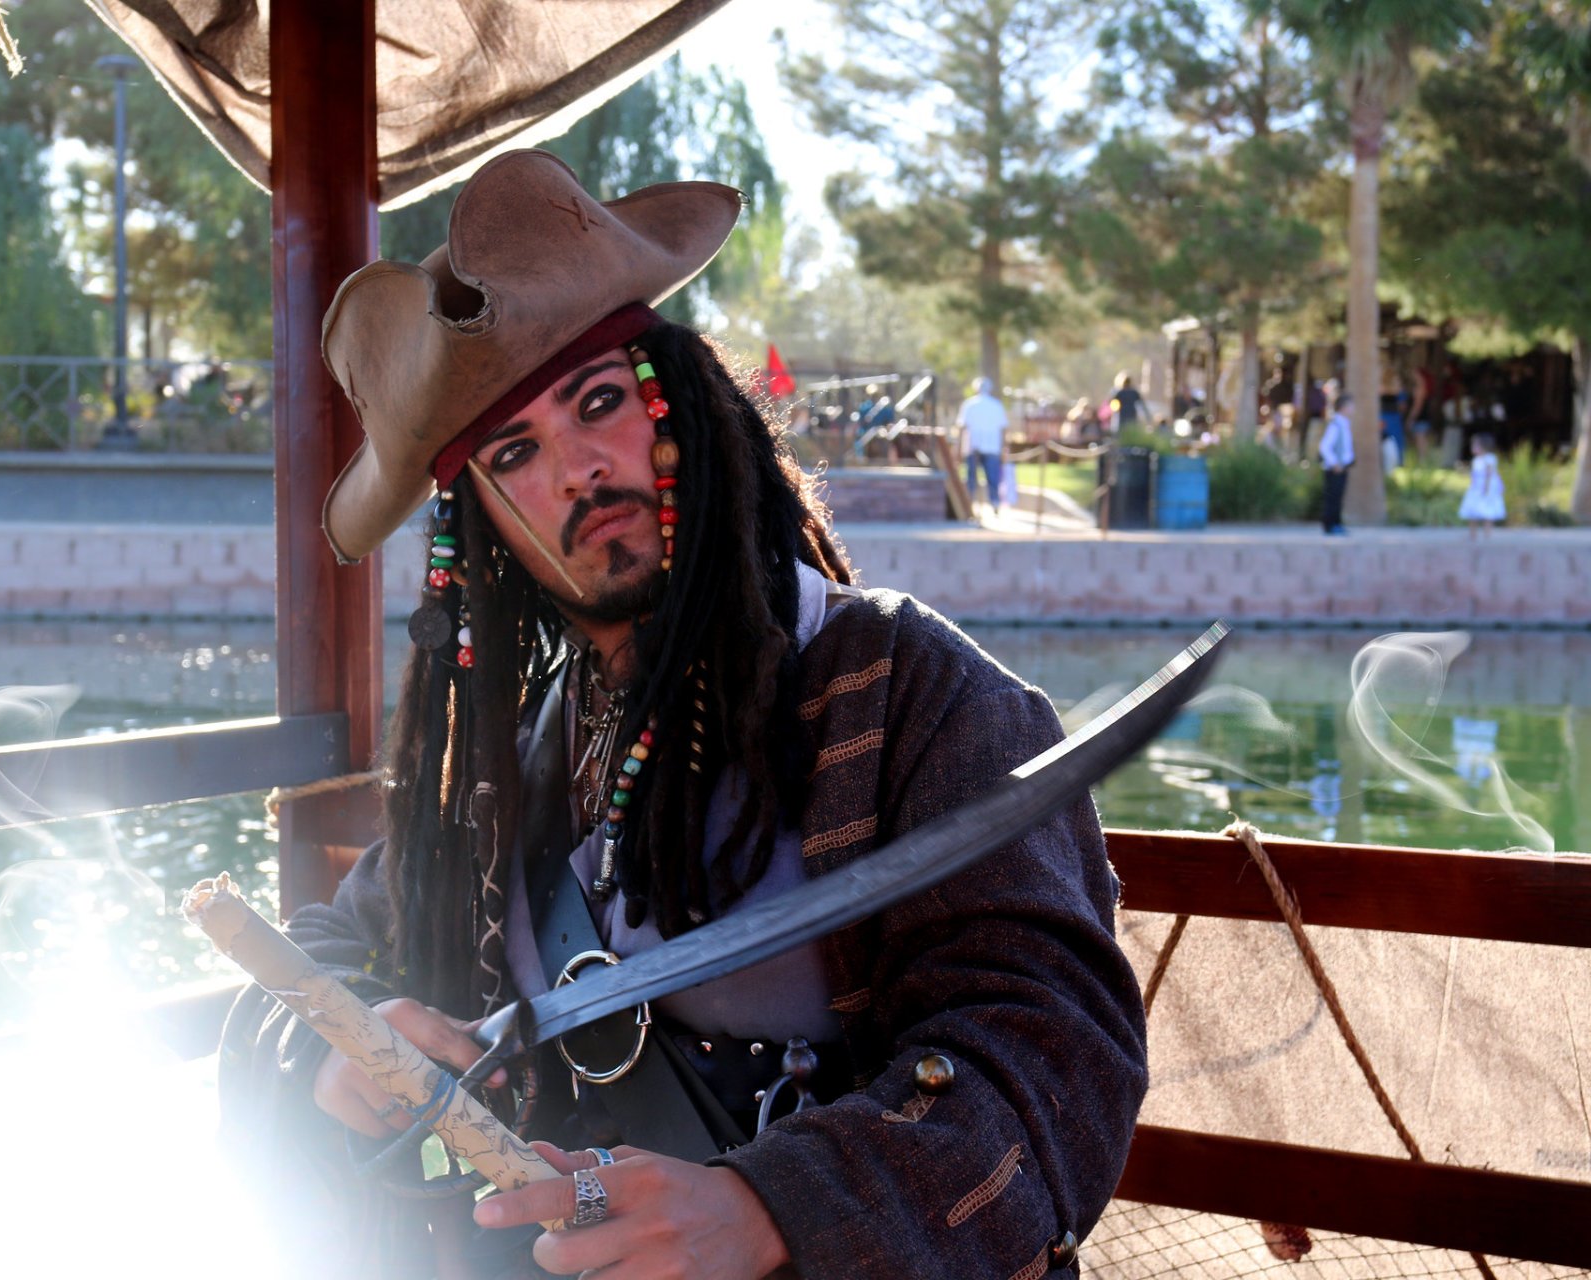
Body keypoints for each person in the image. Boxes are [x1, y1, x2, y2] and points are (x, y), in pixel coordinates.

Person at [215, 150, 1144, 1279]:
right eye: (517, 452)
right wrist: (341, 1047)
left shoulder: (914, 691)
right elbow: (320, 954)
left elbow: (1054, 1056)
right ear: (488, 534)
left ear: (688, 408)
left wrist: (772, 1206)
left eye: (601, 402)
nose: (578, 471)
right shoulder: (519, 753)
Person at [956, 375, 1009, 511]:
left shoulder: (969, 404)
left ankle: (970, 503)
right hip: (992, 447)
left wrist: (959, 448)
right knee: (991, 478)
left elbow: (962, 428)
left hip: (973, 446)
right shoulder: (996, 405)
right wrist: (1004, 448)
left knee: (972, 477)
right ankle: (994, 502)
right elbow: (1003, 430)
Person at [1318, 392, 1356, 536]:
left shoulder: (1344, 424)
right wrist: (1334, 463)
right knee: (1332, 497)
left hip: (1342, 467)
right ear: (1343, 407)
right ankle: (1330, 524)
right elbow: (1324, 446)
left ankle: (1336, 523)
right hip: (1335, 469)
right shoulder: (1335, 425)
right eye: (1351, 406)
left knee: (1338, 497)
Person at [1458, 432, 1505, 539]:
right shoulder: (1475, 460)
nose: (1472, 447)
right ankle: (1472, 534)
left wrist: (1486, 489)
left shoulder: (1489, 458)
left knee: (1487, 511)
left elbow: (1489, 475)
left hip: (1485, 488)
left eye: (1475, 445)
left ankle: (1487, 533)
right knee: (1473, 511)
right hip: (1475, 488)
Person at [1106, 372, 1149, 436]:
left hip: (1124, 415)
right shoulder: (1133, 392)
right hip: (1130, 414)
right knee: (1130, 430)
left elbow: (1110, 402)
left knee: (1123, 431)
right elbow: (1142, 404)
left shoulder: (1120, 392)